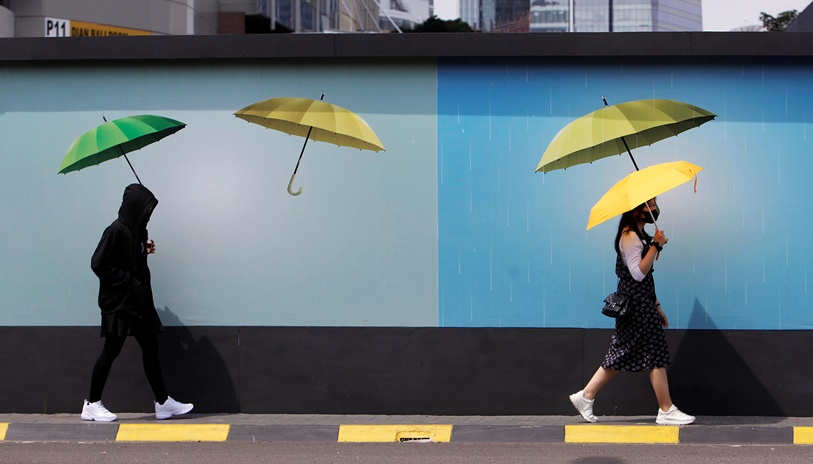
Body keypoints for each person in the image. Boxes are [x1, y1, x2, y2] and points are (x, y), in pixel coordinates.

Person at [568, 198, 694, 426]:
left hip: (643, 302)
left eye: (654, 204)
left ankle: (586, 396)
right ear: (636, 210)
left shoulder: (640, 234)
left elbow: (647, 277)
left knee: (628, 352)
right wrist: (655, 246)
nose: (653, 208)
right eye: (649, 205)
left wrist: (657, 305)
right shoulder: (629, 236)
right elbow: (637, 274)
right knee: (652, 353)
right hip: (636, 306)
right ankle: (666, 409)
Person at [81, 183, 193, 422]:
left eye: (150, 210)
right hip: (119, 303)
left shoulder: (138, 231)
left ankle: (162, 403)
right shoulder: (116, 230)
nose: (149, 213)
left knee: (150, 347)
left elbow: (130, 260)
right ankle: (91, 403)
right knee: (111, 350)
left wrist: (143, 251)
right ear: (135, 207)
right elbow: (98, 263)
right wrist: (129, 282)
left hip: (138, 303)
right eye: (146, 209)